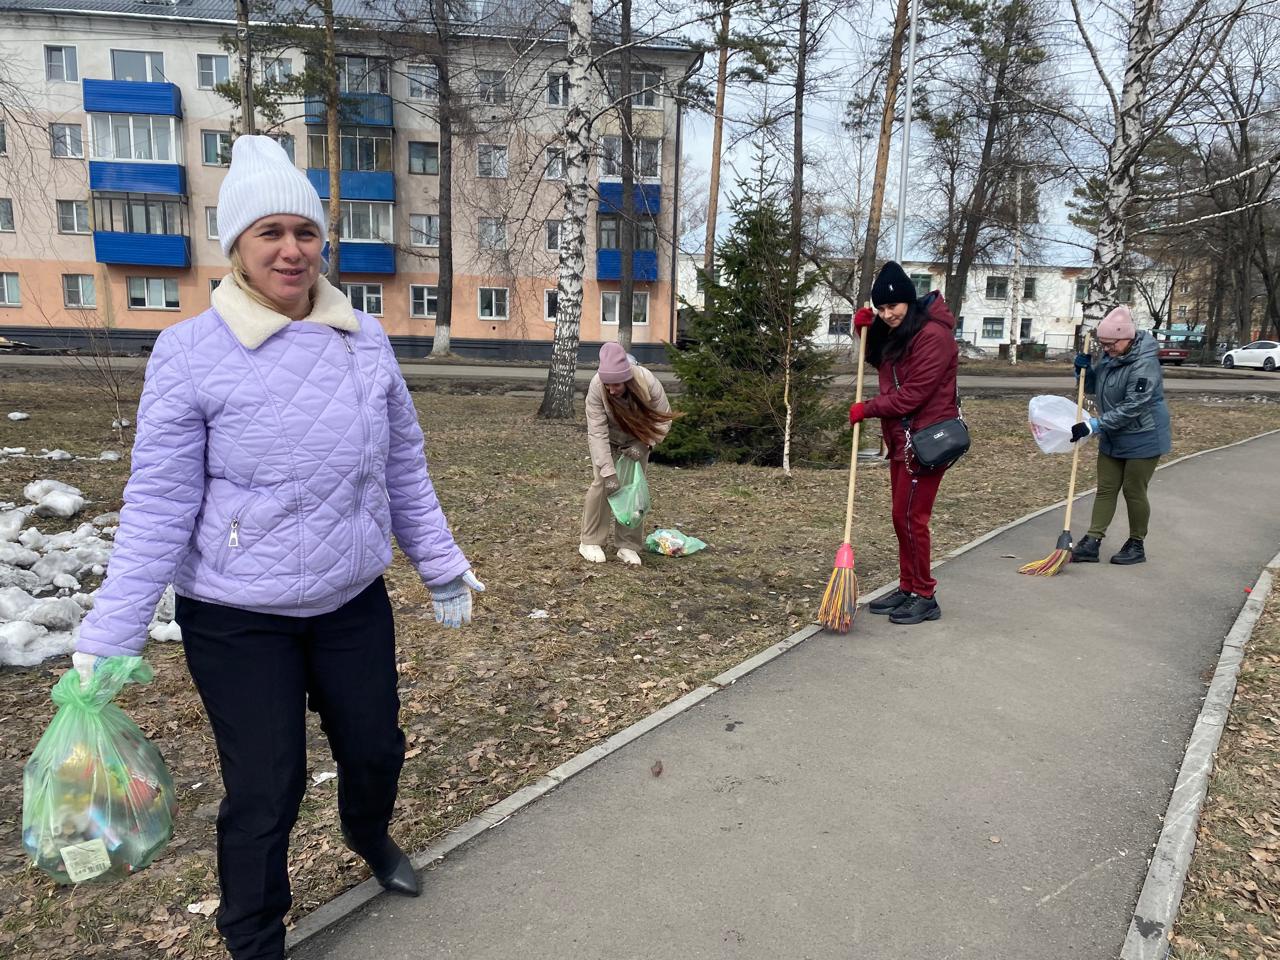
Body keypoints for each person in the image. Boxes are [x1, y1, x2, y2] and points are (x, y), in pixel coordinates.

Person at [69, 136, 484, 960]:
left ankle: (369, 834)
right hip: (237, 615)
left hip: (349, 599)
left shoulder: (363, 338)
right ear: (237, 246)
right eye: (270, 233)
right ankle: (252, 935)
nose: (291, 250)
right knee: (267, 787)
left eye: (305, 231)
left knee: (376, 747)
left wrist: (440, 565)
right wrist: (112, 629)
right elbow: (158, 503)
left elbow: (402, 465)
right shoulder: (189, 352)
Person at [847, 261, 961, 625]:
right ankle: (908, 586)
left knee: (913, 518)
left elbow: (913, 394)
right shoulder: (903, 330)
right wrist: (864, 330)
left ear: (909, 301)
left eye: (892, 306)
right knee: (902, 517)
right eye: (880, 308)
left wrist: (868, 408)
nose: (887, 314)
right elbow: (879, 360)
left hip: (927, 439)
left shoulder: (933, 336)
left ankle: (925, 595)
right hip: (903, 438)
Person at [1069, 305, 1172, 565]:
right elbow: (1093, 387)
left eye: (1111, 344)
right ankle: (1092, 542)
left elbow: (1135, 405)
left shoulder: (1145, 364)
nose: (1106, 349)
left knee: (1133, 490)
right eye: (1103, 344)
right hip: (1113, 434)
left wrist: (1095, 425)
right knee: (1106, 488)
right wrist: (1084, 371)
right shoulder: (1111, 357)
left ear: (1127, 337)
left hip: (1143, 436)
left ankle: (1136, 544)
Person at [579, 341, 674, 567]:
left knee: (633, 488)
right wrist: (609, 472)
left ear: (627, 379)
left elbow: (663, 417)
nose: (611, 389)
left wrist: (645, 444)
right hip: (608, 441)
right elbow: (597, 433)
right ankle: (590, 541)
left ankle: (628, 545)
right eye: (608, 385)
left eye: (616, 384)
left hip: (638, 438)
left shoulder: (647, 382)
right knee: (602, 485)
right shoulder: (597, 386)